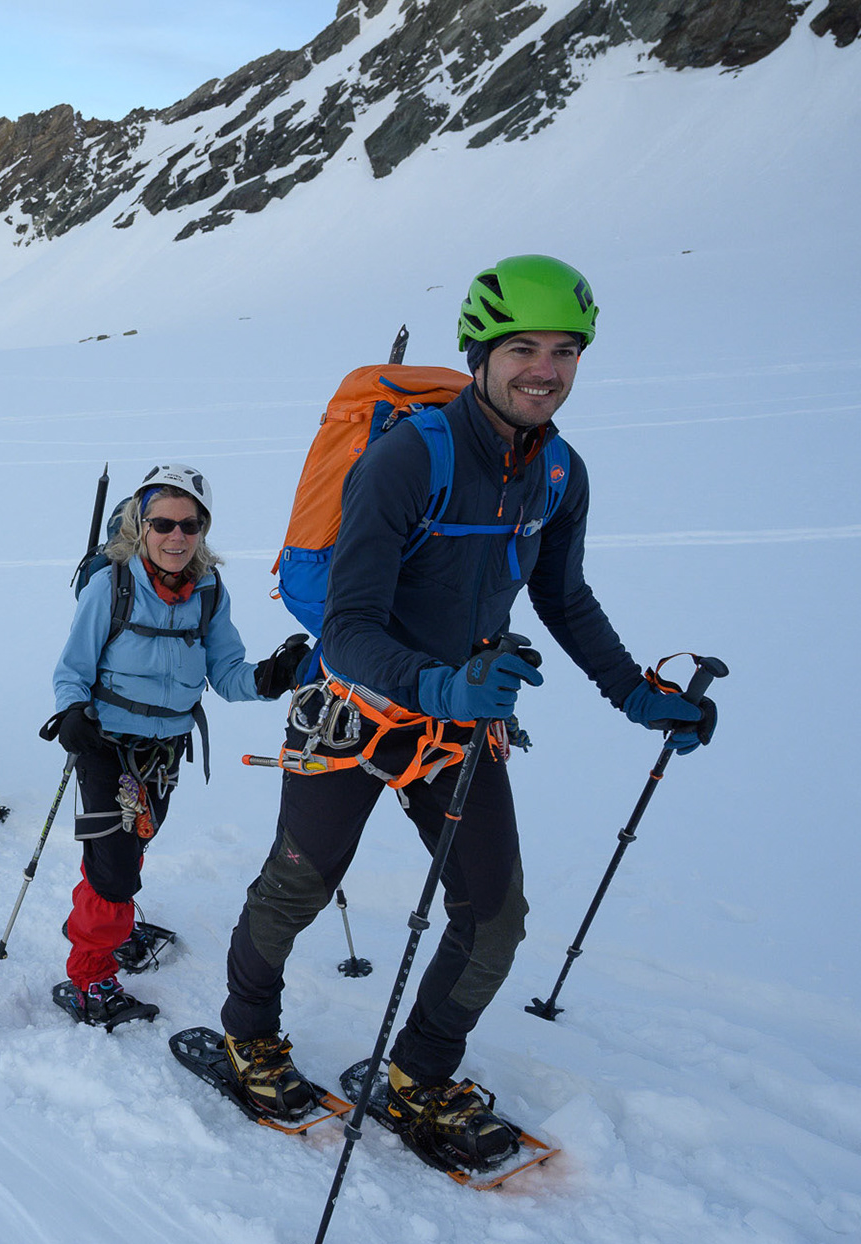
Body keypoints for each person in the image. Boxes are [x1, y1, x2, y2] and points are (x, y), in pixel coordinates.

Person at [216, 256, 717, 1157]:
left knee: (494, 915)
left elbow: (563, 598)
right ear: (480, 354)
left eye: (566, 351)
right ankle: (247, 1034)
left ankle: (419, 1074)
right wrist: (441, 685)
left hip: (459, 723)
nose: (546, 370)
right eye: (523, 348)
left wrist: (636, 693)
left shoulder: (559, 471)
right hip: (353, 710)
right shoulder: (409, 458)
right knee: (297, 888)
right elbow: (348, 626)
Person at [49, 465, 283, 1025]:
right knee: (114, 870)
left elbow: (226, 673)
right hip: (105, 744)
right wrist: (72, 712)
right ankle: (89, 977)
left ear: (203, 529)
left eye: (190, 524)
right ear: (141, 526)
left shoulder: (209, 592)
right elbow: (72, 669)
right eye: (163, 524)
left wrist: (271, 676)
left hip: (164, 751)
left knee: (128, 848)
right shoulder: (112, 586)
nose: (177, 536)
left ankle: (106, 921)